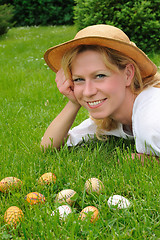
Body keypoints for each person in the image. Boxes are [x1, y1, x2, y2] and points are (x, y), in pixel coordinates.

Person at [41, 24, 160, 158]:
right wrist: (74, 103)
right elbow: (48, 146)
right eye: (79, 79)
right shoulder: (110, 116)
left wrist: (148, 160)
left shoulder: (152, 116)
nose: (88, 92)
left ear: (128, 74)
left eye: (100, 76)